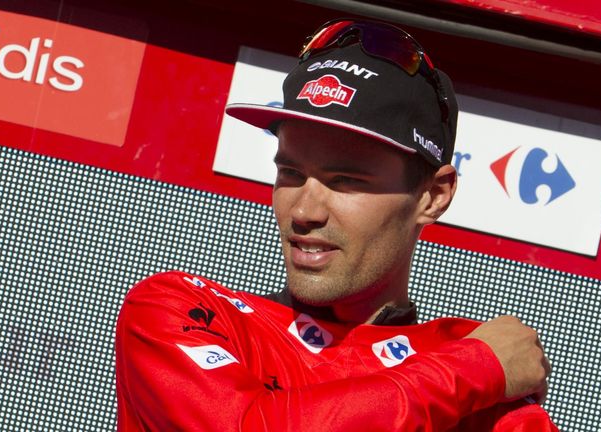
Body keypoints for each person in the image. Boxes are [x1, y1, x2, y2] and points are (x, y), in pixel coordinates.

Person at [115, 19, 557, 431]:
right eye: (290, 172)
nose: (305, 210)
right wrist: (468, 370)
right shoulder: (182, 310)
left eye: (346, 180)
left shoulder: (485, 390)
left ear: (432, 196)